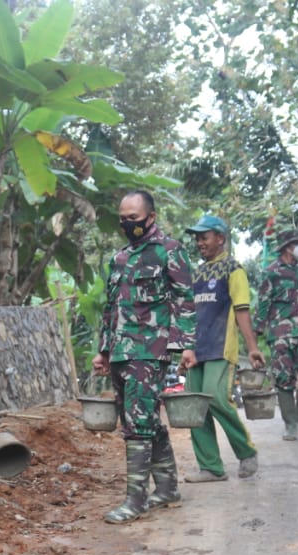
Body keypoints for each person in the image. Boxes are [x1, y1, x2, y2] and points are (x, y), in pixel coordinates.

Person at [92, 190, 197, 523]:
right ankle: (166, 489)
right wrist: (103, 350)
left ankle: (135, 500)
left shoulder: (169, 251)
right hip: (122, 350)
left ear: (151, 217)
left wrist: (187, 345)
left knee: (137, 426)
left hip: (150, 350)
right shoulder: (120, 258)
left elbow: (184, 300)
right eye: (122, 218)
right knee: (142, 419)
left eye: (133, 218)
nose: (127, 224)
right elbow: (111, 308)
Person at [183, 214, 266, 481]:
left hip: (221, 348)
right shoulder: (196, 273)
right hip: (196, 350)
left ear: (220, 238)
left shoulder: (234, 269)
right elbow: (189, 313)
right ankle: (211, 467)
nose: (199, 243)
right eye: (197, 238)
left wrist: (252, 348)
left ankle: (246, 451)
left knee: (216, 397)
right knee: (194, 406)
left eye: (204, 237)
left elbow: (242, 309)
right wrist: (184, 348)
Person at [256, 229, 298, 440]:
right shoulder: (272, 272)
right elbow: (263, 302)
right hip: (281, 334)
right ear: (288, 247)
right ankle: (291, 424)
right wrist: (258, 330)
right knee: (283, 378)